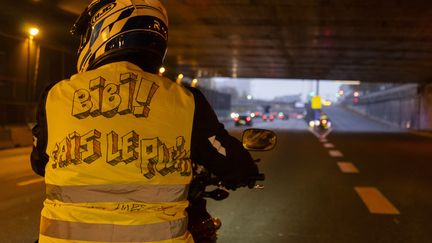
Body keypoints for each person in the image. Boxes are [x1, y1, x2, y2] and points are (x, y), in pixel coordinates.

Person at [30, 0, 259, 242]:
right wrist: (245, 171)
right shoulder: (184, 100)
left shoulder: (55, 96)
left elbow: (39, 162)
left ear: (99, 32)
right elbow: (223, 155)